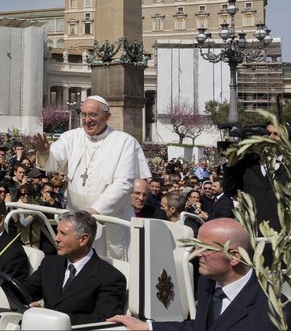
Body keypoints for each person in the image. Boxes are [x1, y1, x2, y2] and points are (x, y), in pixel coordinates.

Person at [107, 218, 290, 330]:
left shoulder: (275, 311)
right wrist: (148, 327)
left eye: (204, 248)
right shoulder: (207, 284)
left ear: (234, 257)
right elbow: (199, 327)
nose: (196, 253)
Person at [33, 95, 151, 259]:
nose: (87, 120)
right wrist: (44, 152)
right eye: (84, 115)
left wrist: (96, 210)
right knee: (76, 262)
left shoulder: (125, 142)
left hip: (109, 218)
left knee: (110, 264)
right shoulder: (71, 137)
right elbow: (54, 163)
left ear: (107, 117)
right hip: (77, 216)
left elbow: (123, 183)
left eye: (93, 115)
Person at [21, 210, 127, 325]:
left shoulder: (110, 278)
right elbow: (25, 291)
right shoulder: (50, 263)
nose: (56, 238)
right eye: (57, 232)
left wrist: (50, 317)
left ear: (83, 239)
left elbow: (104, 320)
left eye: (63, 233)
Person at [224, 123, 289, 231]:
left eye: (276, 134)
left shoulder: (288, 167)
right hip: (254, 234)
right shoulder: (247, 164)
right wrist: (231, 164)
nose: (270, 137)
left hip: (284, 236)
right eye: (267, 134)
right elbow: (229, 191)